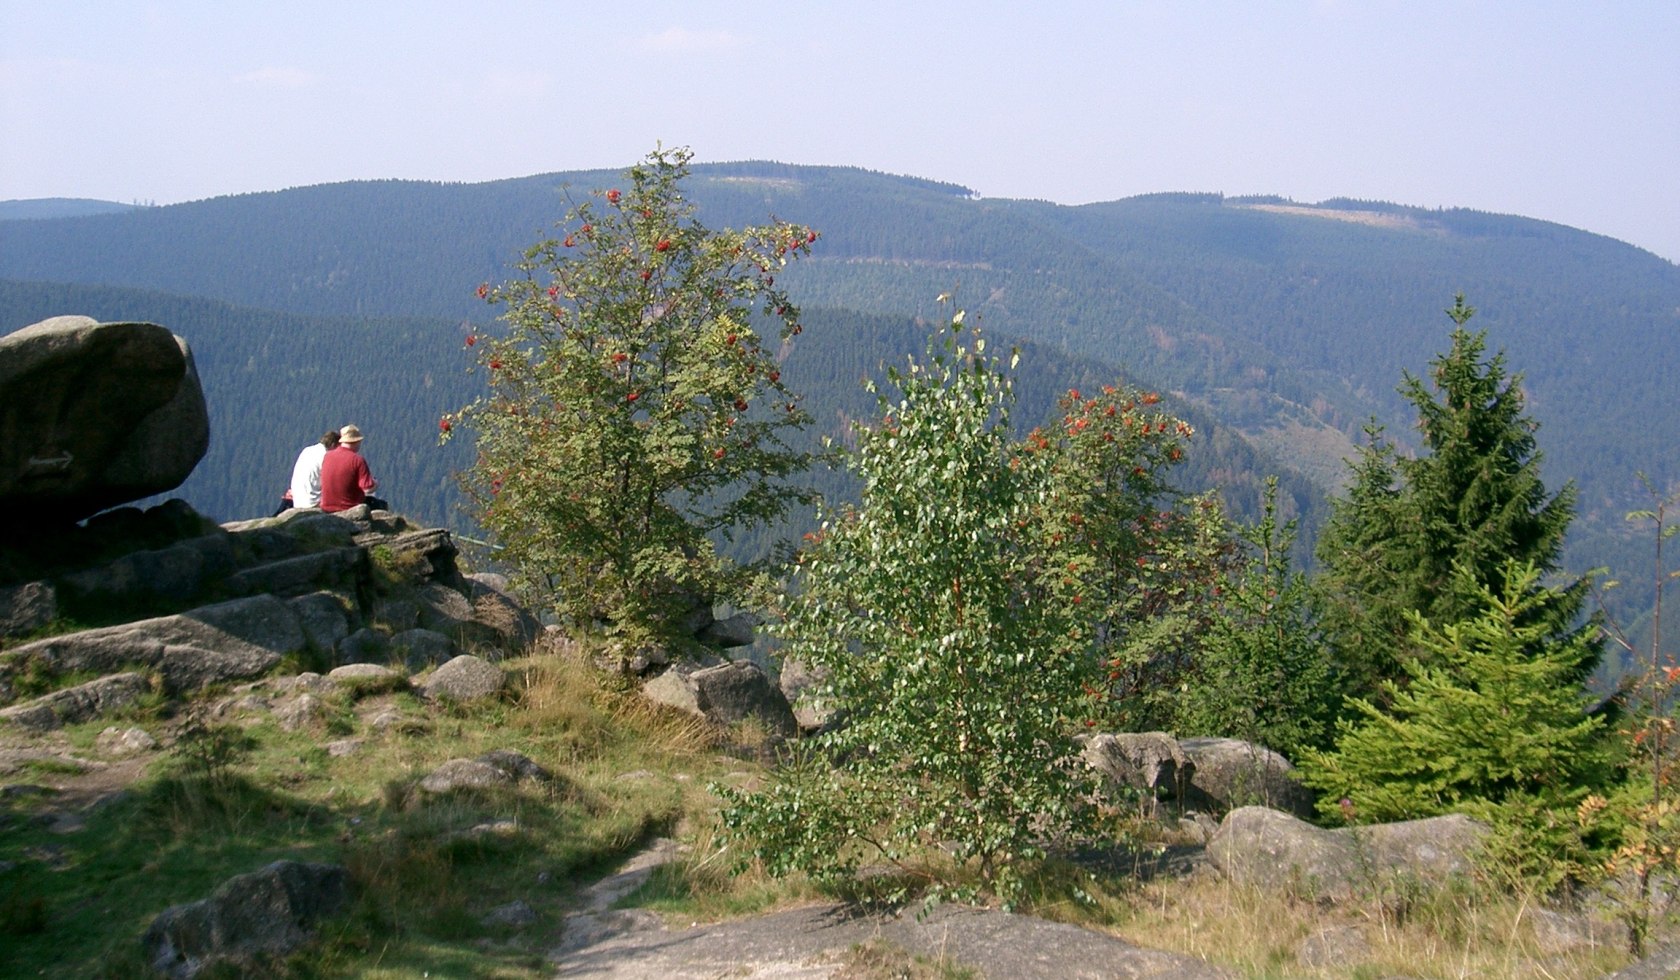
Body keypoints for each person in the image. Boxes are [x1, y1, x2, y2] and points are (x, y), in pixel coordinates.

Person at [319, 423, 388, 512]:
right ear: (357, 441)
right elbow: (368, 488)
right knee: (381, 505)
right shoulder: (357, 460)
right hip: (349, 507)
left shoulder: (327, 456)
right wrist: (375, 483)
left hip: (326, 507)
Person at [273, 429, 340, 515]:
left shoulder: (307, 450)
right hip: (312, 503)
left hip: (298, 501)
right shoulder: (326, 457)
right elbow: (330, 483)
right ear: (333, 445)